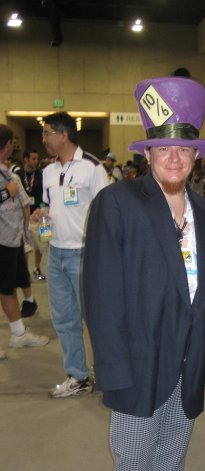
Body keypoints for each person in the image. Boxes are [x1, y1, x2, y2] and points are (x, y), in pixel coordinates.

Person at [82, 76, 205, 471]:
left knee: (171, 456)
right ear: (147, 154)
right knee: (132, 461)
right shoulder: (117, 204)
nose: (173, 157)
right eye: (163, 148)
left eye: (183, 149)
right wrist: (113, 369)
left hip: (187, 364)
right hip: (138, 364)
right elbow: (100, 295)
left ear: (196, 156)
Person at [40, 111, 108, 397]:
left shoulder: (92, 167)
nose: (43, 139)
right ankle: (77, 376)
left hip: (84, 254)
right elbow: (47, 206)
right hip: (56, 253)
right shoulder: (48, 171)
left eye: (47, 133)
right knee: (64, 319)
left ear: (64, 134)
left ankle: (108, 373)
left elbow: (107, 212)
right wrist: (43, 217)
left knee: (96, 318)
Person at [0, 125, 49, 360]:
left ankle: (18, 333)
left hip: (14, 239)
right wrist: (4, 194)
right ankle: (18, 333)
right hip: (2, 240)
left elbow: (24, 202)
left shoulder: (9, 173)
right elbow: (10, 195)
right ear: (8, 144)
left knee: (9, 287)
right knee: (5, 288)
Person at [16, 149, 47, 281]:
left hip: (40, 213)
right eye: (33, 158)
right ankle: (25, 271)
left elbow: (45, 194)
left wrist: (42, 209)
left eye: (37, 158)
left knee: (43, 242)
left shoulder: (41, 174)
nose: (36, 161)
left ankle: (37, 268)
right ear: (26, 159)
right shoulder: (18, 174)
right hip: (24, 214)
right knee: (26, 244)